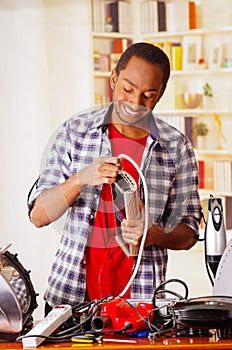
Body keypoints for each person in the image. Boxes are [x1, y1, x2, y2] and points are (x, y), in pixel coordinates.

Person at [27, 42, 202, 311]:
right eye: (128, 89)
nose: (135, 103)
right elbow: (39, 216)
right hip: (69, 303)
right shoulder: (74, 132)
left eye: (148, 95)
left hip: (141, 307)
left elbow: (189, 234)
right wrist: (80, 179)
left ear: (161, 93)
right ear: (113, 78)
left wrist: (153, 233)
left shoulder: (176, 146)